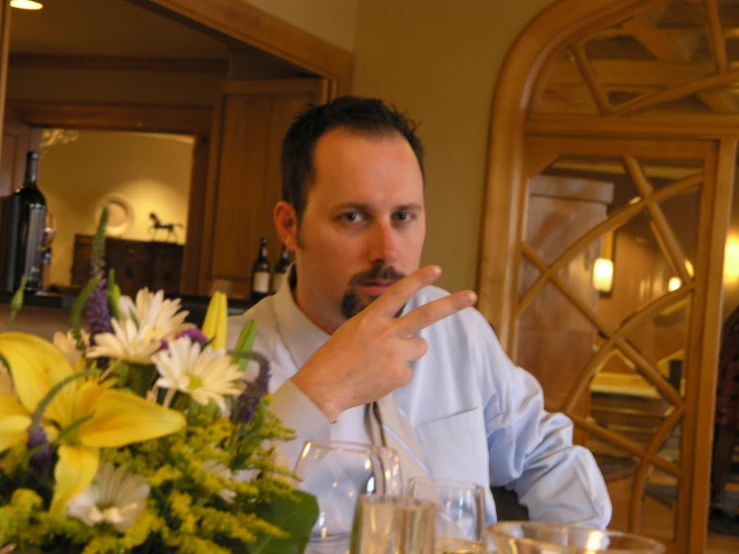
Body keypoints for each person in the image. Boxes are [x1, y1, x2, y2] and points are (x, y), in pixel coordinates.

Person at [228, 96, 612, 527]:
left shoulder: (457, 332)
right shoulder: (221, 366)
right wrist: (317, 394)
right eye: (352, 217)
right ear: (289, 226)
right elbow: (188, 513)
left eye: (403, 216)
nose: (386, 250)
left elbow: (546, 456)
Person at [710, 305, 739, 527]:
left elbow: (726, 328)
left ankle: (717, 498)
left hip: (733, 360)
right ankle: (718, 498)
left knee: (726, 436)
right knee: (727, 436)